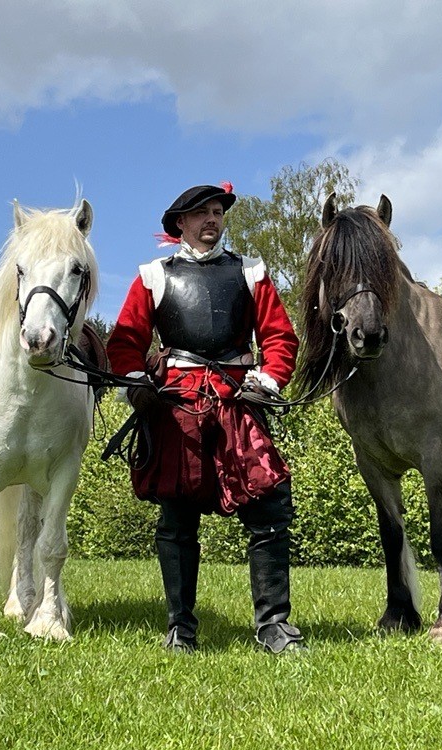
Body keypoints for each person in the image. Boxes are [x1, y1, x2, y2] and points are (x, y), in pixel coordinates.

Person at [106, 182, 305, 654]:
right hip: (178, 405)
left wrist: (268, 381)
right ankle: (181, 628)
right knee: (176, 519)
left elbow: (280, 339)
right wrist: (139, 387)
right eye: (202, 213)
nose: (212, 220)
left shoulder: (250, 272)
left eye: (217, 212)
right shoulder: (153, 275)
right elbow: (124, 344)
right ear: (181, 224)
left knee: (271, 507)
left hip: (238, 400)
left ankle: (273, 626)